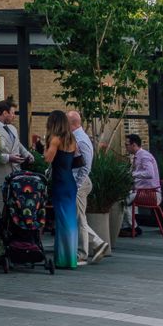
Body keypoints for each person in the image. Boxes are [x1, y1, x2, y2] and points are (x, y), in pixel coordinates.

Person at [66, 111, 109, 263]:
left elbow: (86, 167)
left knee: (79, 218)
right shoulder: (75, 137)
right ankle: (96, 244)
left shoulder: (81, 139)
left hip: (80, 182)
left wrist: (76, 186)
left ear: (72, 123)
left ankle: (85, 252)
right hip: (78, 182)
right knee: (79, 218)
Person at [43, 111, 79, 270]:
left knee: (62, 221)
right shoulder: (72, 139)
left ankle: (63, 259)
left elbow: (47, 159)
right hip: (70, 182)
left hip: (60, 183)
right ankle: (70, 258)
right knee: (70, 220)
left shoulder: (55, 139)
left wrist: (44, 145)